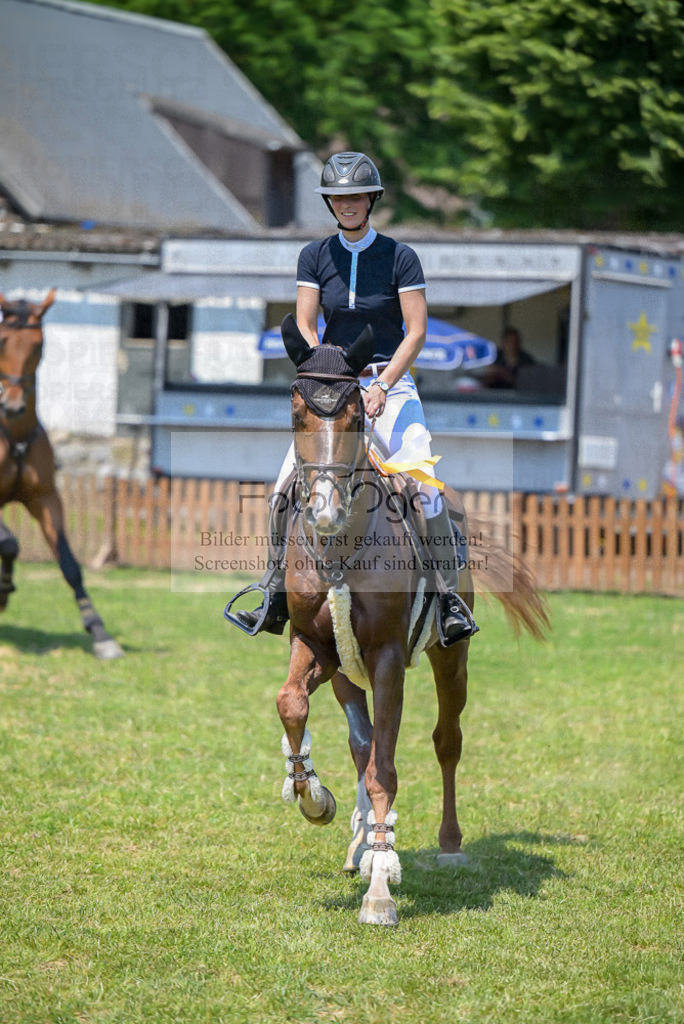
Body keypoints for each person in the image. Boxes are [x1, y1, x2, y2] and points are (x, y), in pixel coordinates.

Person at [228, 152, 477, 646]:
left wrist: (382, 386)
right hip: (333, 386)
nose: (347, 204)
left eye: (355, 196)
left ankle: (448, 597)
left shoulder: (401, 257)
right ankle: (274, 591)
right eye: (338, 198)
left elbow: (417, 331)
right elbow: (304, 322)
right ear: (331, 203)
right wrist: (322, 369)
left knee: (425, 486)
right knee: (282, 489)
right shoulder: (314, 256)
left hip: (391, 383)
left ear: (371, 201)